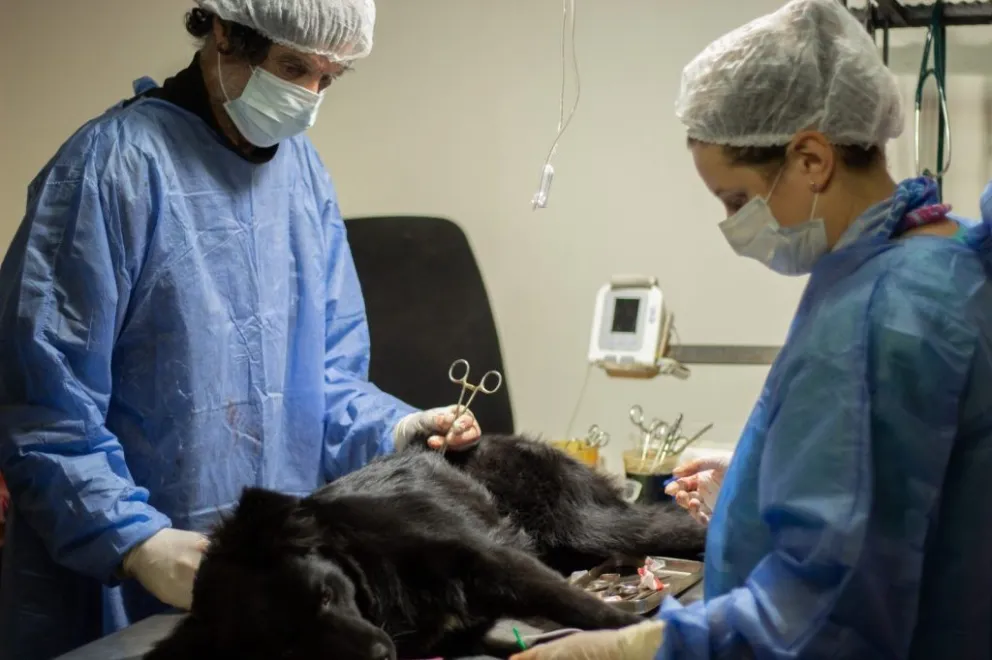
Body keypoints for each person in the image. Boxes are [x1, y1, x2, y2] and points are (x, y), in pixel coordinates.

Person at [0, 2, 484, 658]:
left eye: (329, 78)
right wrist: (135, 542)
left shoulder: (303, 174)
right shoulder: (109, 170)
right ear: (224, 33)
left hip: (270, 589)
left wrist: (395, 429)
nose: (309, 97)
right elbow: (45, 412)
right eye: (293, 68)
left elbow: (326, 381)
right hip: (117, 593)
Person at [510, 0, 992, 658]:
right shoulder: (933, 255)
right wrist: (758, 476)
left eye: (736, 200)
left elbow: (823, 616)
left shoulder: (880, 313)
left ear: (812, 159)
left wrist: (625, 650)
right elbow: (905, 474)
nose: (734, 224)